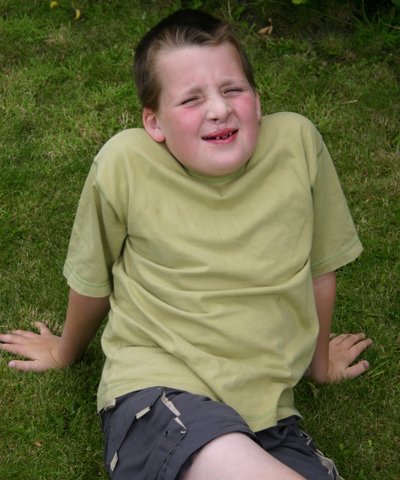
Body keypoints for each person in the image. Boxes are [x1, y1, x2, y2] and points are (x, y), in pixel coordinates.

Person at [0, 9, 372, 480]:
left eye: (233, 90)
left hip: (269, 418)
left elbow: (320, 269)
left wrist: (319, 366)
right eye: (192, 99)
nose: (219, 109)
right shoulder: (125, 163)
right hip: (159, 395)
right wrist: (63, 352)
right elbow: (93, 281)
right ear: (154, 122)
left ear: (258, 101)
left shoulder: (297, 143)